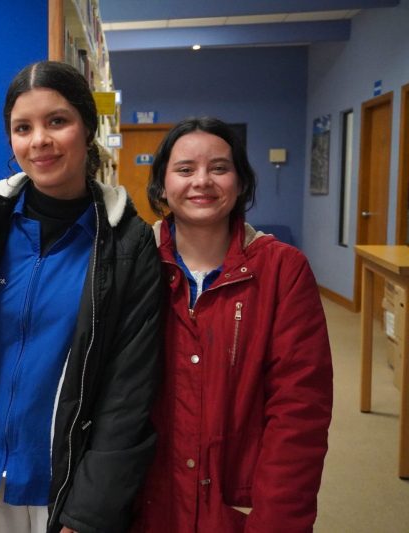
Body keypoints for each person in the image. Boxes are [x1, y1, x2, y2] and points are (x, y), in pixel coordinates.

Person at [0, 60, 162, 533]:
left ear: (87, 128)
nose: (39, 140)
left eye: (57, 121)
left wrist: (92, 509)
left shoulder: (128, 243)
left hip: (67, 484)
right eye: (23, 128)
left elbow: (129, 389)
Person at [131, 117, 334, 532]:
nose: (202, 181)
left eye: (219, 168)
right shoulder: (130, 265)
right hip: (145, 506)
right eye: (185, 169)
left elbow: (299, 412)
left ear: (241, 183)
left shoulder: (283, 271)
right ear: (162, 185)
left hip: (237, 508)